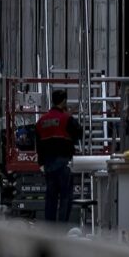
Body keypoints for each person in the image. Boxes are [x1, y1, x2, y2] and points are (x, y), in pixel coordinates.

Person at [35, 89, 84, 223]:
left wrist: (41, 164)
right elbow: (79, 133)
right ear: (63, 101)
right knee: (65, 197)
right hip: (64, 163)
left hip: (49, 164)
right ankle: (61, 229)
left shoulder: (41, 121)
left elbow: (38, 144)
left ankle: (50, 229)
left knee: (50, 197)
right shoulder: (67, 119)